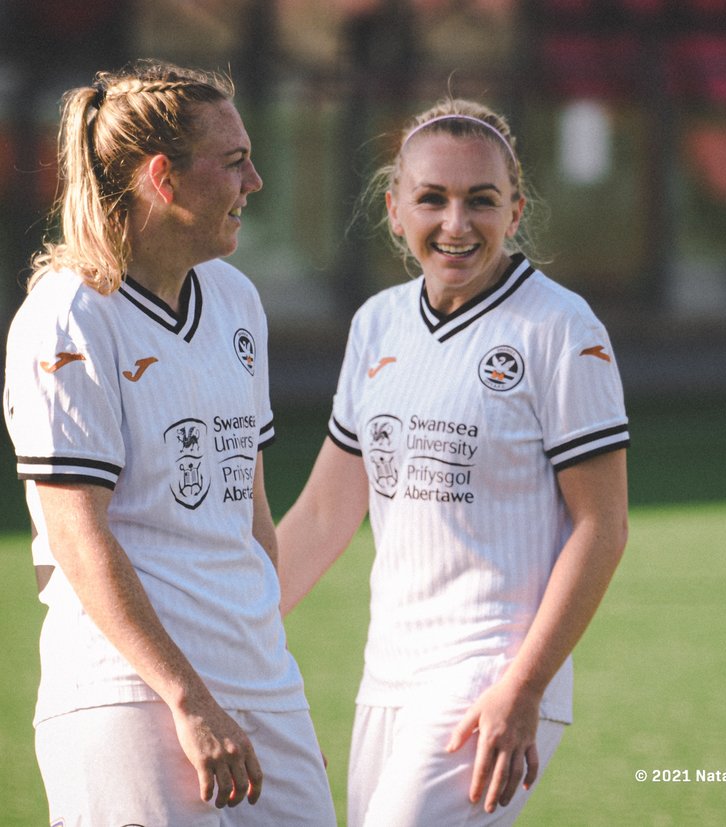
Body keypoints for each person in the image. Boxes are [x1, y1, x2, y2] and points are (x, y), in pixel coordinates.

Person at [276, 98, 630, 826]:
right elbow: (322, 514)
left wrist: (524, 686)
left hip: (490, 675)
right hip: (387, 675)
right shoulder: (377, 323)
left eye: (481, 200)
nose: (456, 223)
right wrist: (224, 636)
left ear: (516, 210)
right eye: (432, 198)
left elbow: (602, 526)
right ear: (395, 209)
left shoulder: (562, 328)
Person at [2, 60, 336, 826]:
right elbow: (78, 536)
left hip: (255, 682)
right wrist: (188, 698)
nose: (255, 182)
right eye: (234, 161)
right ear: (163, 176)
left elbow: (250, 515)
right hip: (128, 691)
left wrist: (273, 694)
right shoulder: (69, 316)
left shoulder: (237, 300)